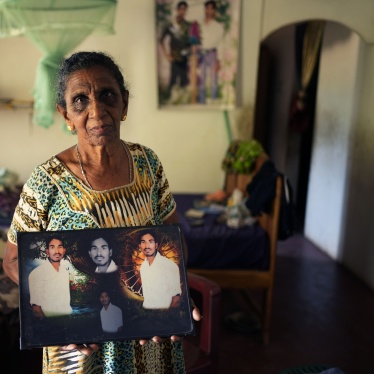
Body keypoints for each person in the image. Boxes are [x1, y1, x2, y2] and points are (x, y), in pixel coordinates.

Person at [3, 51, 200, 373]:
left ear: (124, 104)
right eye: (80, 100)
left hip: (148, 335)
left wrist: (170, 299)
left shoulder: (148, 163)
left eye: (107, 95)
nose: (96, 111)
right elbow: (13, 260)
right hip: (79, 343)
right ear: (66, 115)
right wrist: (61, 315)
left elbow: (174, 244)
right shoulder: (46, 181)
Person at [29, 235, 73, 319]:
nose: (57, 251)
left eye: (59, 247)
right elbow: (36, 309)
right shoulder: (36, 273)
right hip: (49, 323)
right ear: (47, 251)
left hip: (67, 319)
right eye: (52, 247)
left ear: (64, 251)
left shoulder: (65, 272)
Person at [138, 229, 181, 309]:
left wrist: (166, 317)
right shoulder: (143, 267)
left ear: (156, 245)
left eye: (150, 242)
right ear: (140, 246)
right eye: (143, 242)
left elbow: (176, 299)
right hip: (147, 313)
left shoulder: (169, 265)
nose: (147, 246)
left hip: (164, 315)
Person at [159, 1, 191, 103]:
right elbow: (161, 40)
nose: (182, 11)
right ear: (177, 10)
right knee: (173, 81)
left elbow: (191, 43)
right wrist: (166, 55)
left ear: (186, 11)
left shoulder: (187, 26)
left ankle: (183, 102)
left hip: (185, 58)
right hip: (174, 58)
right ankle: (168, 101)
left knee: (184, 82)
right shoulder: (171, 24)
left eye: (184, 9)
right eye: (180, 9)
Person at [197, 0, 225, 103]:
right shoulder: (199, 25)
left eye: (211, 8)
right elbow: (196, 40)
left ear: (214, 11)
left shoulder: (218, 27)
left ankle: (214, 101)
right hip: (201, 54)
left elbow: (221, 44)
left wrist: (219, 61)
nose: (209, 10)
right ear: (204, 9)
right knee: (202, 80)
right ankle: (202, 102)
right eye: (207, 8)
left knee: (214, 80)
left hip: (212, 54)